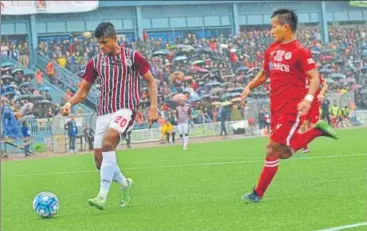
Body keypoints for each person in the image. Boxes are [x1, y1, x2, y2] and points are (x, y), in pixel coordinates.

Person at [240, 9, 338, 203]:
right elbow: (264, 73)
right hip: (275, 107)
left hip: (292, 108)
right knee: (282, 152)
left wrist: (308, 99)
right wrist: (248, 87)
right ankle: (316, 131)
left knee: (271, 148)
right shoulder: (272, 50)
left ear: (286, 27)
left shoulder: (300, 51)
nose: (271, 31)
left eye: (274, 26)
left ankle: (257, 194)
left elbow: (315, 78)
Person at [60, 22, 159, 210]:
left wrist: (153, 107)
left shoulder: (132, 57)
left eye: (105, 42)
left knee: (108, 142)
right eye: (99, 43)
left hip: (125, 109)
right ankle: (124, 183)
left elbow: (151, 81)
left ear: (114, 38)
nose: (102, 47)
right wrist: (68, 104)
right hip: (104, 112)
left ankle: (102, 196)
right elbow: (83, 91)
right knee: (99, 161)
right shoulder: (95, 62)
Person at [300, 74, 328, 153]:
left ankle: (302, 144)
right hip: (304, 104)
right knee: (303, 125)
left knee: (313, 128)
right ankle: (304, 147)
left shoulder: (316, 74)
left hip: (314, 104)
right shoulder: (298, 75)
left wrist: (321, 93)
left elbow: (325, 85)